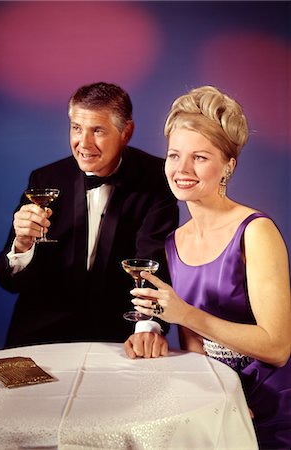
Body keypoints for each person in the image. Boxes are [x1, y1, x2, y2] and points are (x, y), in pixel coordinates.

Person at [124, 86, 291, 449]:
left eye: (199, 157)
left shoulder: (256, 231)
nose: (181, 170)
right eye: (174, 155)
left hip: (275, 405)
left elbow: (277, 347)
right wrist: (216, 399)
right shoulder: (174, 241)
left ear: (228, 165)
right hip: (219, 403)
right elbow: (195, 348)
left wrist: (183, 313)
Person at [0, 82, 179, 349]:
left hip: (118, 336)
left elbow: (152, 261)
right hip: (40, 334)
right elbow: (9, 282)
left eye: (98, 131)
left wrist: (147, 326)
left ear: (126, 132)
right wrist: (22, 246)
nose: (83, 143)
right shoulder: (45, 179)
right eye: (77, 128)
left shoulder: (157, 178)